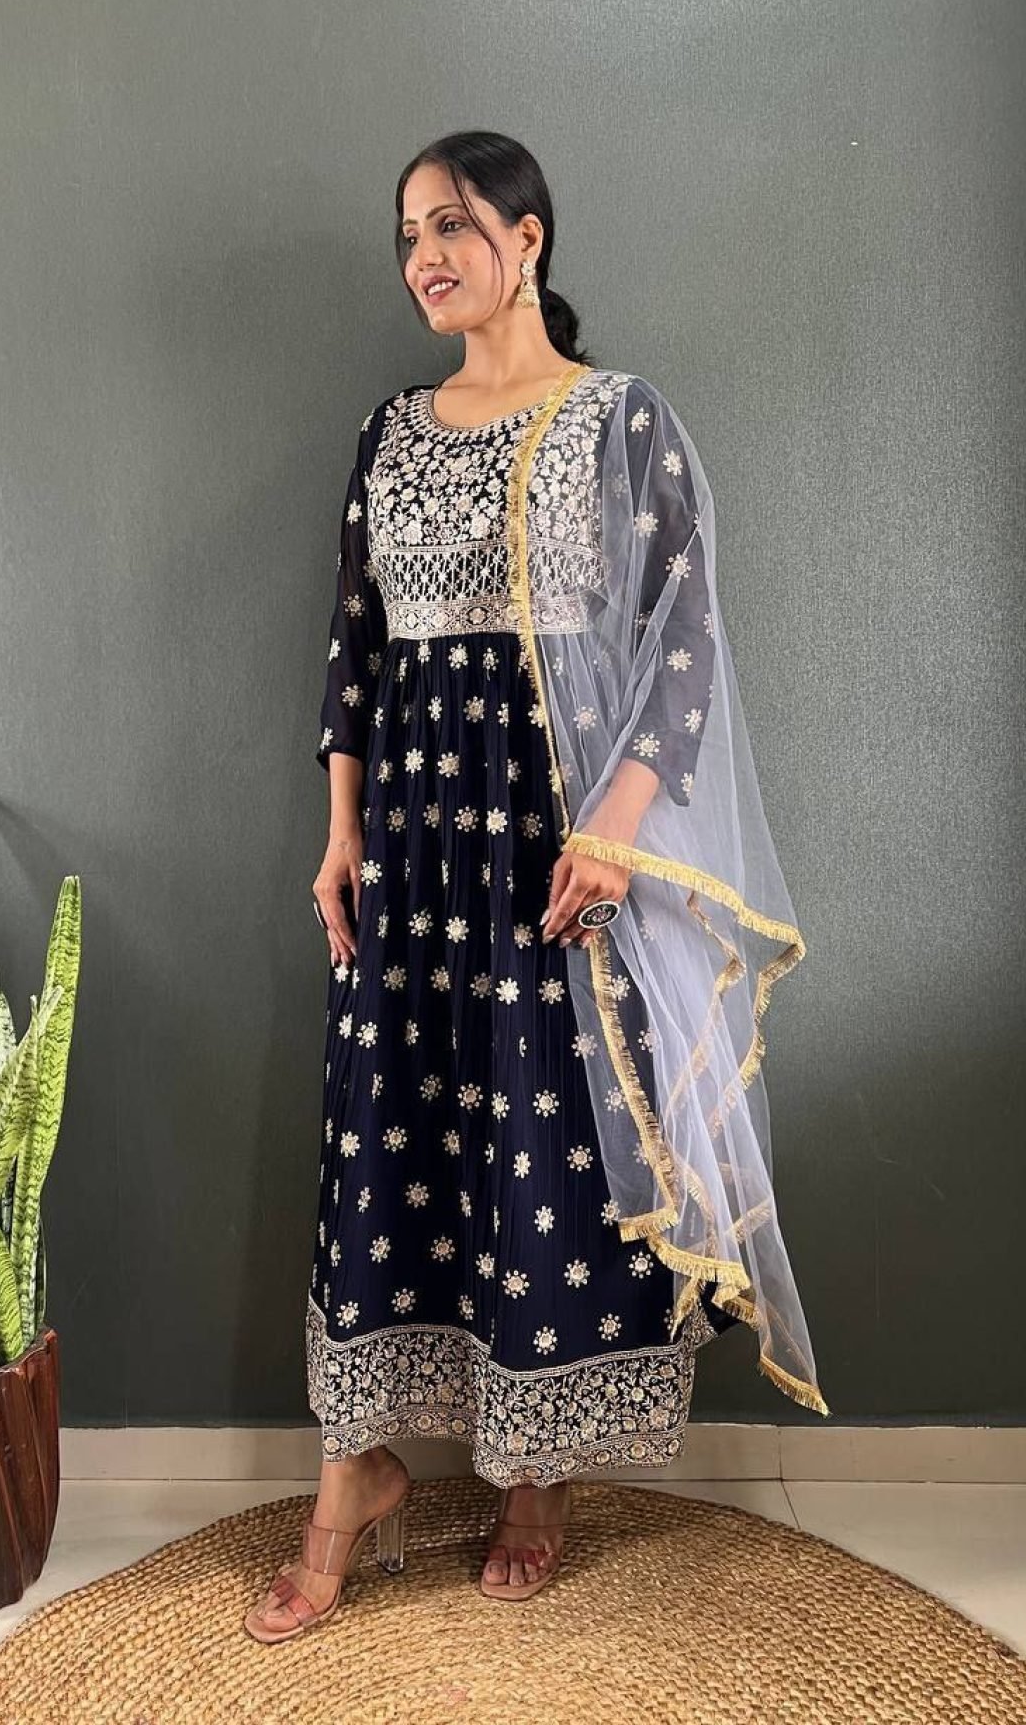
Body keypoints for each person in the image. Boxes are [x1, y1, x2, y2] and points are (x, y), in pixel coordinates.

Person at [245, 130, 826, 1645]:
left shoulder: (619, 419)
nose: (424, 256)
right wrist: (339, 831)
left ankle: (534, 1471)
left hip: (557, 838)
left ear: (528, 237)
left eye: (451, 224)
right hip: (411, 840)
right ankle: (355, 1470)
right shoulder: (388, 434)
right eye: (406, 234)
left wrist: (616, 830)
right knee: (390, 1126)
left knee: (544, 1133)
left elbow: (684, 640)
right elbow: (353, 648)